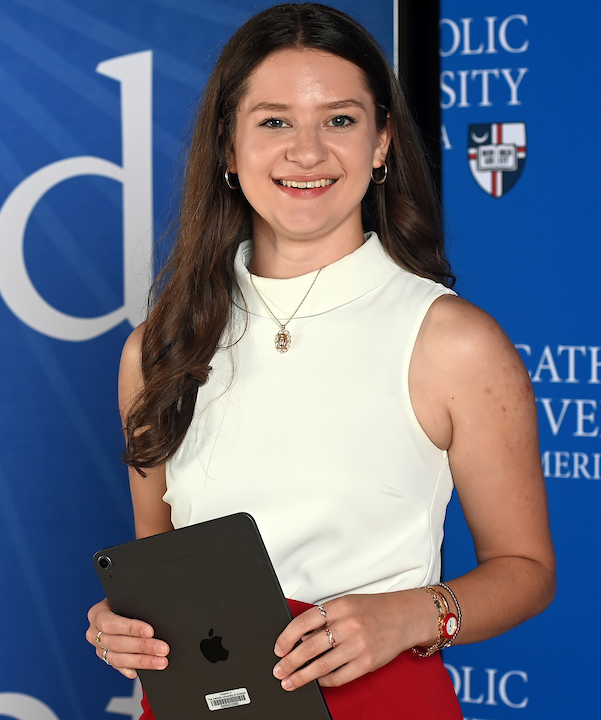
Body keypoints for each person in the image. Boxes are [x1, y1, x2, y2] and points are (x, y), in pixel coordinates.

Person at [83, 4, 555, 719]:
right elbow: (159, 553)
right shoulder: (159, 348)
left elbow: (525, 572)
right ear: (228, 147)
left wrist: (410, 615)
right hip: (206, 703)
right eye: (274, 121)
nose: (307, 152)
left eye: (339, 120)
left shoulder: (451, 340)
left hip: (385, 701)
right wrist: (125, 626)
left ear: (382, 141)